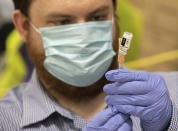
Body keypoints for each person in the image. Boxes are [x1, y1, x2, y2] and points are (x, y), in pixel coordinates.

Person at [0, 0, 177, 131]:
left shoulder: (170, 95)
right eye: (63, 22)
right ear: (23, 27)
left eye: (98, 17)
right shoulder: (6, 120)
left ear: (114, 14)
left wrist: (169, 122)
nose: (84, 41)